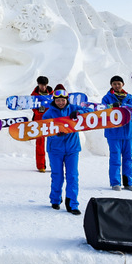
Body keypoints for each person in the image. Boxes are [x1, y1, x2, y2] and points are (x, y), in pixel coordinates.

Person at [43, 84, 91, 215]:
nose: (60, 103)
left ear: (67, 99)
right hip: (55, 149)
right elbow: (43, 129)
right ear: (54, 100)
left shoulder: (74, 108)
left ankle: (72, 204)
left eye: (63, 100)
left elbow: (90, 112)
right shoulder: (49, 113)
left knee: (72, 176)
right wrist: (54, 133)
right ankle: (55, 200)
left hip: (72, 148)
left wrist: (79, 113)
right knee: (57, 176)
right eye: (57, 100)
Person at [101, 76, 132, 191]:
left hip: (128, 132)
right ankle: (115, 182)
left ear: (123, 84)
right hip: (113, 133)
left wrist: (122, 107)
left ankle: (129, 182)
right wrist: (113, 106)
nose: (117, 86)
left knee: (128, 158)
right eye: (114, 84)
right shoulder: (107, 98)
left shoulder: (130, 97)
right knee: (115, 158)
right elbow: (103, 109)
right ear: (111, 85)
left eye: (119, 83)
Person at [31, 76, 51, 172]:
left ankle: (54, 165)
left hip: (50, 121)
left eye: (44, 85)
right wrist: (38, 110)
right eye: (41, 85)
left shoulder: (52, 93)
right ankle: (41, 165)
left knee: (53, 143)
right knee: (40, 143)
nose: (43, 87)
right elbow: (32, 107)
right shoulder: (34, 95)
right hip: (38, 121)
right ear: (38, 84)